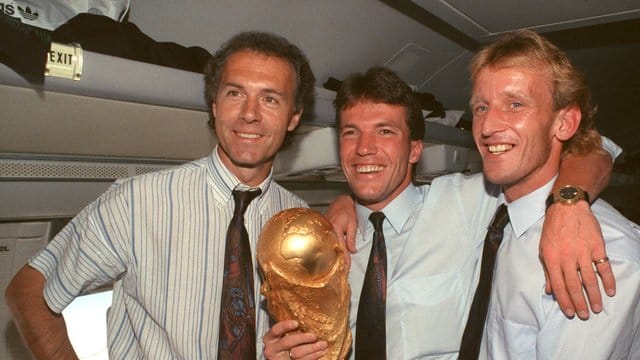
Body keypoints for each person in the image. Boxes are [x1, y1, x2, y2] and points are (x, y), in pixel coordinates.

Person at [263, 65, 619, 359]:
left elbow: (593, 149)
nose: (364, 149)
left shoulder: (466, 200)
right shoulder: (323, 242)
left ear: (415, 149)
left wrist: (568, 203)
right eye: (351, 133)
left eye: (385, 132)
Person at [5, 31, 316, 359]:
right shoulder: (138, 201)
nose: (249, 113)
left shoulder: (303, 221)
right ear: (214, 104)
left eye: (270, 99)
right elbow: (29, 292)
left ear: (293, 116)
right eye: (235, 93)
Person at [470, 30, 640, 359]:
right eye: (480, 107)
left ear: (564, 123)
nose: (487, 125)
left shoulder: (604, 258)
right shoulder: (487, 207)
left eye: (514, 104)